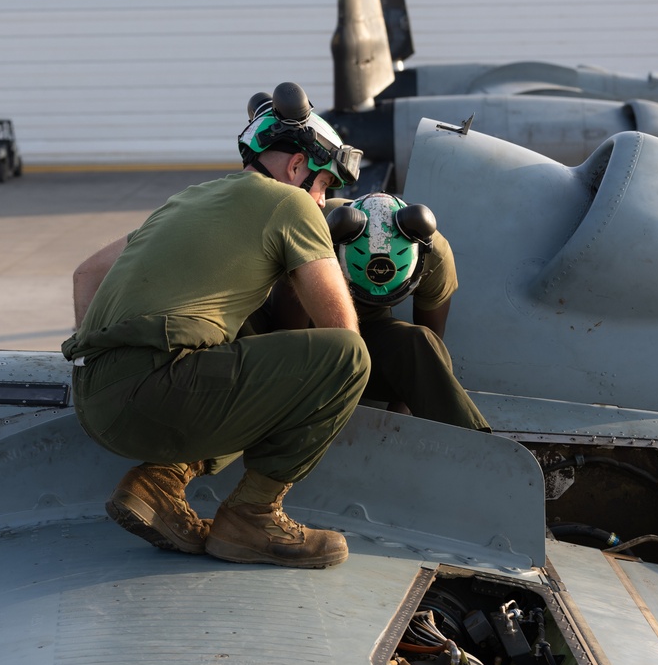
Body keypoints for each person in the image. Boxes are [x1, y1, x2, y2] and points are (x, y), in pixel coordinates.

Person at [61, 84, 371, 570]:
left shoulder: (185, 200)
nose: (322, 198)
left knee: (242, 335)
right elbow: (341, 334)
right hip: (159, 393)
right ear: (296, 168)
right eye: (324, 185)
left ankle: (159, 482)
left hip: (95, 401)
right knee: (347, 361)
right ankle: (253, 515)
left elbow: (87, 273)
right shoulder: (291, 205)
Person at [246, 191, 489, 432]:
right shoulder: (314, 228)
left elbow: (430, 351)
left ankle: (480, 451)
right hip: (296, 322)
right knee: (243, 324)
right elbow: (289, 341)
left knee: (421, 342)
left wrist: (395, 419)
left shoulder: (436, 256)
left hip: (366, 332)